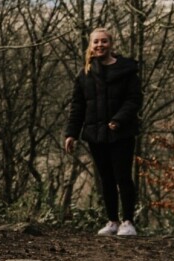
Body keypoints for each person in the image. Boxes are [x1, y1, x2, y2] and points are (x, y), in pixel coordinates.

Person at [64, 27, 142, 236]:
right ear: (91, 46)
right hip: (95, 135)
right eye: (96, 42)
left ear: (111, 44)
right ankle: (112, 221)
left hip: (121, 133)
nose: (100, 45)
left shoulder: (127, 71)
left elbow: (134, 100)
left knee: (122, 177)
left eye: (104, 41)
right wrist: (71, 133)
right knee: (105, 178)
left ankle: (128, 222)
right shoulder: (85, 74)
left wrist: (119, 120)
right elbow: (77, 106)